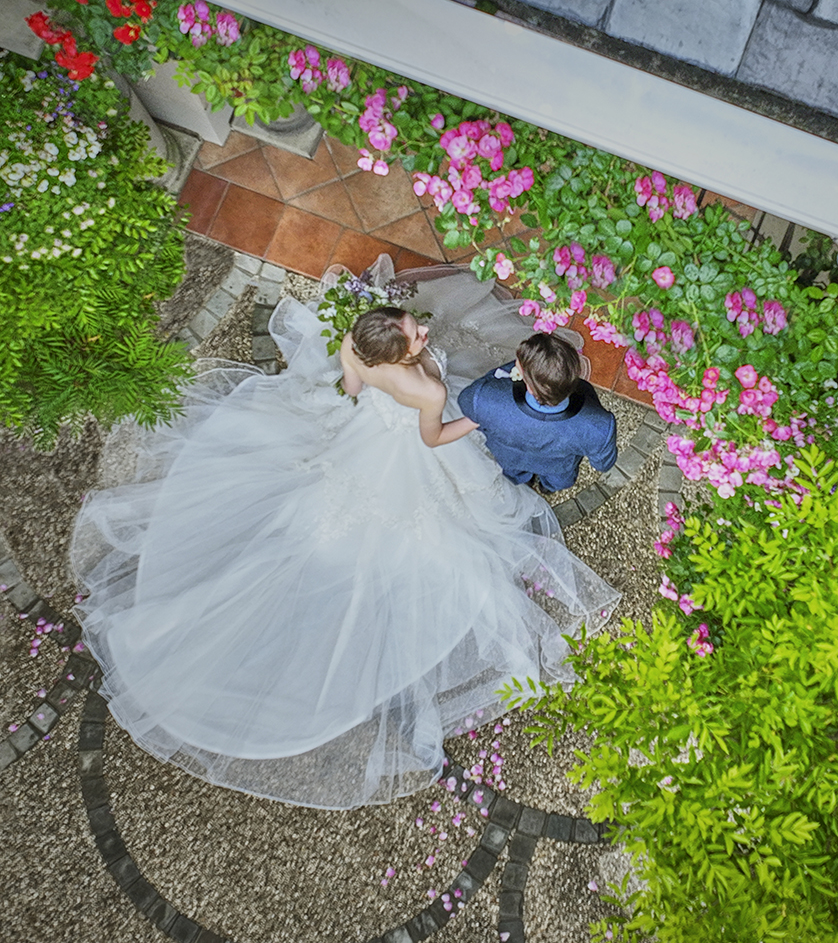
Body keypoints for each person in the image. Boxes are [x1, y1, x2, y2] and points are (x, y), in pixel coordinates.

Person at [71, 265, 620, 810]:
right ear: (398, 351)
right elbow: (432, 440)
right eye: (415, 334)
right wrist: (475, 422)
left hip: (364, 430)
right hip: (411, 448)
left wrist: (372, 409)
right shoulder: (429, 388)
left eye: (413, 326)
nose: (424, 332)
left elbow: (352, 390)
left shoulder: (356, 348)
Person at [458, 333, 618, 493]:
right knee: (558, 481)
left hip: (510, 458)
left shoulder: (484, 397)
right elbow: (603, 464)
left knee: (513, 472)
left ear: (528, 382)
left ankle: (522, 482)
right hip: (558, 468)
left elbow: (467, 407)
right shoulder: (600, 425)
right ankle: (547, 488)